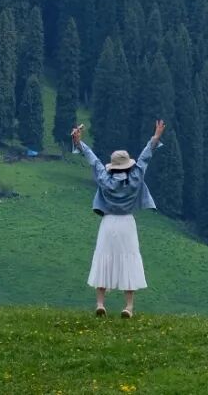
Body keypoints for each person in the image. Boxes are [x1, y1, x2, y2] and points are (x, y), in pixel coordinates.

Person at [71, 118, 165, 317]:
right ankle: (128, 306)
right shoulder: (135, 179)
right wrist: (155, 137)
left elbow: (94, 161)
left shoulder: (105, 180)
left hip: (108, 223)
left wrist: (79, 143)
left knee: (104, 259)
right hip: (127, 224)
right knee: (128, 261)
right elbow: (145, 158)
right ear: (128, 166)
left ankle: (100, 303)